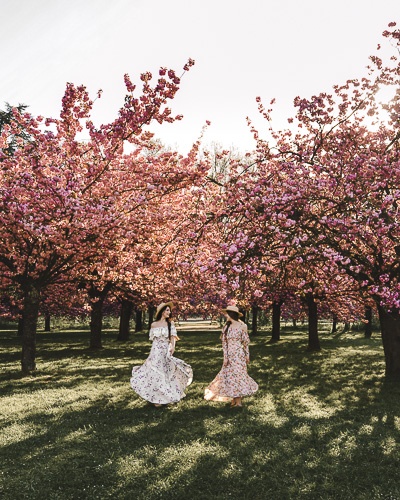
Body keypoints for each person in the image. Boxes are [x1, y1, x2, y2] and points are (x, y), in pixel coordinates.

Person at [130, 302, 193, 407]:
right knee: (154, 372)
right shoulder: (153, 324)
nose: (169, 312)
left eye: (169, 310)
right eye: (167, 310)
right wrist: (152, 353)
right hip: (155, 351)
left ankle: (165, 396)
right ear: (162, 312)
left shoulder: (170, 324)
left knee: (164, 372)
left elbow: (173, 338)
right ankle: (155, 397)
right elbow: (154, 340)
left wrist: (172, 347)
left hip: (165, 350)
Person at [204, 305, 258, 407]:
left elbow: (246, 342)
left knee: (239, 377)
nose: (224, 315)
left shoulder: (242, 326)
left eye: (226, 313)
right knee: (230, 377)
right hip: (230, 355)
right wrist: (225, 357)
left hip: (239, 355)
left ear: (231, 314)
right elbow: (224, 344)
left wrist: (247, 355)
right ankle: (235, 400)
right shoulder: (226, 327)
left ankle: (238, 402)